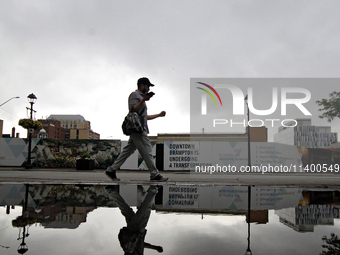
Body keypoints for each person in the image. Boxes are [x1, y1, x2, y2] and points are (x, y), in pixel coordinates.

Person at [106, 77, 168, 182]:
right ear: (142, 85)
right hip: (138, 129)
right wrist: (143, 99)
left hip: (139, 128)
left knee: (127, 151)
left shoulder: (141, 97)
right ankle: (154, 174)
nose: (148, 89)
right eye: (148, 86)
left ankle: (111, 170)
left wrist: (159, 115)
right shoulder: (134, 95)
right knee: (147, 150)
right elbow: (133, 110)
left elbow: (144, 117)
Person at [105, 185, 164, 254]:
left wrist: (155, 247)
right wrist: (155, 247)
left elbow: (139, 244)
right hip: (131, 232)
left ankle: (153, 189)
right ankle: (111, 191)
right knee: (126, 210)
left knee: (145, 210)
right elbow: (141, 244)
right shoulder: (130, 249)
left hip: (137, 231)